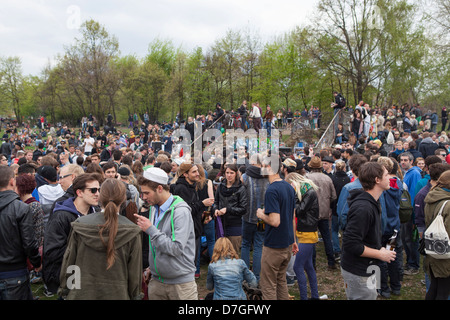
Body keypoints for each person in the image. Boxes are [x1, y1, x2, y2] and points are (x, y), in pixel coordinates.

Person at [58, 178, 142, 300]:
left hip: (82, 292)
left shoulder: (81, 224)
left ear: (100, 197)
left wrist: (68, 289)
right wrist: (134, 295)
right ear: (124, 199)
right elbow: (135, 272)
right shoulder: (132, 231)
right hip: (117, 294)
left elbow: (70, 263)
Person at [134, 167, 198, 300]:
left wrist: (150, 229)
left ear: (159, 188)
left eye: (147, 193)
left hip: (180, 285)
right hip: (157, 281)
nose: (144, 197)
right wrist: (154, 268)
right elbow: (157, 244)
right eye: (142, 193)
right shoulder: (153, 208)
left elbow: (176, 248)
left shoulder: (181, 212)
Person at [340, 162, 396, 300]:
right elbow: (351, 244)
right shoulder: (363, 208)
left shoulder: (372, 202)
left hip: (367, 267)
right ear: (377, 180)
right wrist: (380, 254)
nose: (390, 178)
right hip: (358, 270)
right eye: (387, 175)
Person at [42, 173, 101, 297]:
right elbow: (52, 251)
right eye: (93, 190)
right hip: (69, 273)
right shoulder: (61, 216)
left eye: (99, 190)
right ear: (79, 193)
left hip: (90, 274)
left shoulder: (96, 213)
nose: (97, 194)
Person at [256, 156, 298, 300]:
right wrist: (293, 240)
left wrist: (261, 214)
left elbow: (275, 221)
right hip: (286, 243)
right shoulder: (288, 186)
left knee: (268, 285)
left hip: (274, 246)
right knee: (281, 281)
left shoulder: (272, 190)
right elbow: (292, 217)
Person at [0, 166, 42, 300]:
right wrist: (37, 263)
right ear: (12, 182)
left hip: (14, 271)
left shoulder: (20, 208)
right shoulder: (21, 209)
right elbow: (29, 243)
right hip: (14, 273)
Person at [285, 172, 320, 300]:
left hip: (307, 233)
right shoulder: (306, 191)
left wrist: (293, 197)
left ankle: (304, 297)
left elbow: (299, 211)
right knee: (308, 266)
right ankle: (314, 296)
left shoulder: (308, 192)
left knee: (297, 266)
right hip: (305, 231)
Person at [240, 153, 269, 283]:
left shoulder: (245, 177)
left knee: (245, 244)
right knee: (258, 245)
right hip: (262, 216)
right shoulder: (267, 176)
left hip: (247, 215)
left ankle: (246, 276)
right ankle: (256, 277)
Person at [306, 156, 337, 270]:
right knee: (326, 237)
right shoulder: (327, 179)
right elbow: (334, 196)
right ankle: (331, 261)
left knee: (312, 238)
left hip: (311, 212)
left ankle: (312, 264)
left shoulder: (306, 178)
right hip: (324, 211)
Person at [423, 171, 450, 300]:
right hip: (445, 254)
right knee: (443, 292)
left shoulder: (431, 197)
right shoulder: (448, 203)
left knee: (435, 287)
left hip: (432, 249)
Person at [213, 164, 248, 254]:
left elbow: (243, 209)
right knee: (221, 252)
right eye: (227, 173)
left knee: (233, 252)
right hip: (221, 223)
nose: (229, 175)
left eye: (231, 173)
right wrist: (216, 209)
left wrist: (228, 209)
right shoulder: (221, 186)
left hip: (234, 224)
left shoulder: (241, 188)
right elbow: (216, 202)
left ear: (236, 174)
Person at [399, 152, 422, 275]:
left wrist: (413, 216)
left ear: (411, 161)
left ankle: (413, 265)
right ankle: (409, 262)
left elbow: (414, 195)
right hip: (406, 211)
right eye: (401, 160)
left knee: (410, 240)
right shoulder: (407, 173)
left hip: (410, 212)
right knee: (405, 238)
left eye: (406, 160)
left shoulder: (414, 174)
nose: (403, 162)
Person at [331, 160, 351, 262]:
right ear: (344, 168)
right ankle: (344, 250)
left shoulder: (333, 178)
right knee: (345, 230)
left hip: (335, 207)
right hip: (345, 207)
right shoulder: (348, 179)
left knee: (334, 230)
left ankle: (337, 250)